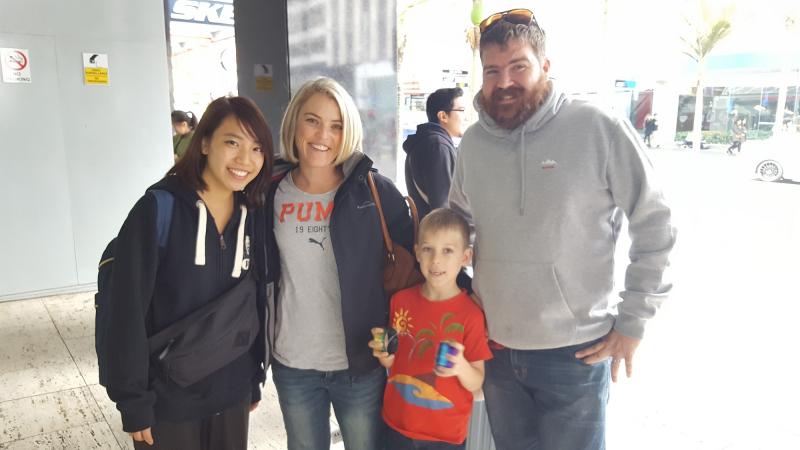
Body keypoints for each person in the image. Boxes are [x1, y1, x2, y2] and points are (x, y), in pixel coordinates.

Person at [448, 9, 676, 450]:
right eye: (492, 71)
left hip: (575, 353)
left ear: (546, 66)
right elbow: (458, 225)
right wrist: (459, 288)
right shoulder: (473, 143)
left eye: (518, 66)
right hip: (496, 348)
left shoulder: (597, 127)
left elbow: (655, 222)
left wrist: (633, 321)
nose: (504, 82)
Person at [102, 96, 274, 449]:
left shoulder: (252, 213)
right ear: (205, 142)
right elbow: (124, 312)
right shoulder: (157, 210)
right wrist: (133, 401)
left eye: (257, 148)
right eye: (232, 143)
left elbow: (254, 300)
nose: (245, 159)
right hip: (168, 400)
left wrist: (253, 376)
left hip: (232, 392)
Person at [262, 76, 414, 450]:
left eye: (336, 125)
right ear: (295, 122)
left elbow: (415, 271)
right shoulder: (270, 192)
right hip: (294, 362)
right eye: (312, 121)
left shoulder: (374, 191)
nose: (323, 135)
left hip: (360, 363)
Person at [369, 208, 492, 450]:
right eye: (428, 249)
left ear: (465, 257)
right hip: (396, 425)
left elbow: (477, 382)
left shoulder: (471, 315)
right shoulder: (400, 300)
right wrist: (384, 356)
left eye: (447, 251)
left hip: (445, 436)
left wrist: (460, 366)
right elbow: (394, 362)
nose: (436, 260)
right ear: (417, 252)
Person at [403, 88, 467, 218]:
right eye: (461, 110)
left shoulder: (427, 142)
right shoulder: (437, 146)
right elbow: (442, 208)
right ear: (443, 116)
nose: (465, 117)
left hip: (427, 227)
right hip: (440, 229)